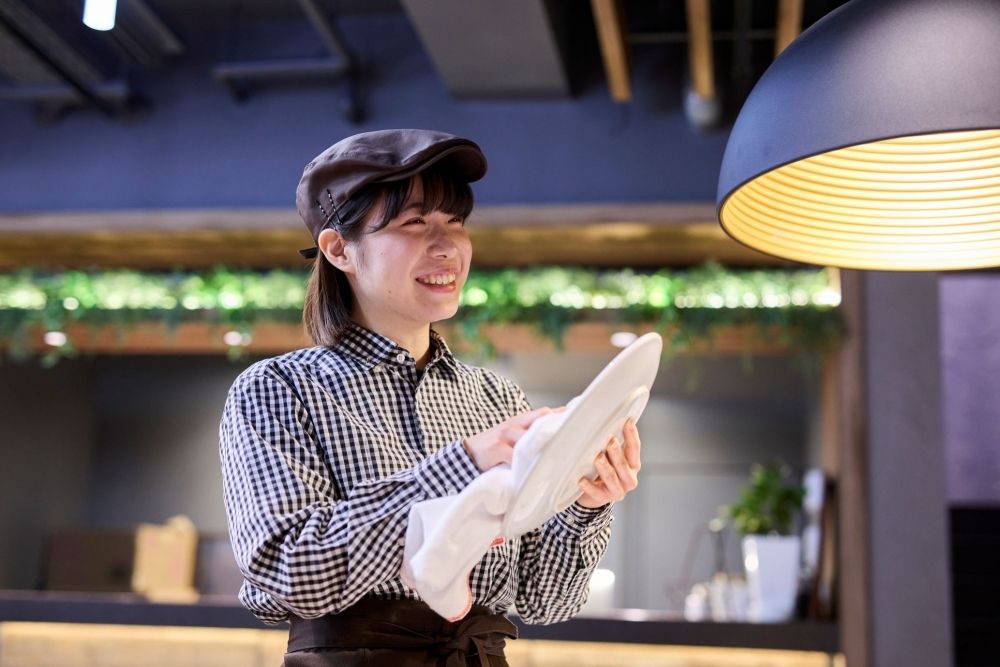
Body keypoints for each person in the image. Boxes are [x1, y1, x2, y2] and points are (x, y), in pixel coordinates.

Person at [219, 129, 643, 666]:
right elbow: (288, 574)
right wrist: (464, 464)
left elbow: (544, 600)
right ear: (339, 249)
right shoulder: (280, 389)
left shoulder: (496, 397)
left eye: (456, 222)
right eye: (414, 222)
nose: (446, 246)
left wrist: (587, 500)